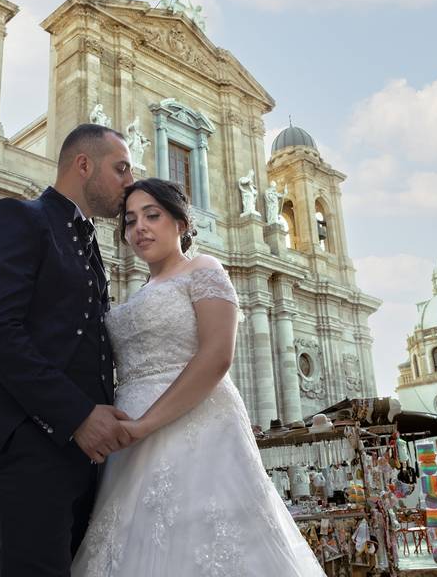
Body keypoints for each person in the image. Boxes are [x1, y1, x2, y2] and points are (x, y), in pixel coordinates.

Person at [71, 178, 325, 575]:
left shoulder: (203, 269)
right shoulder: (139, 290)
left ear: (181, 223)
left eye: (152, 215)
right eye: (131, 220)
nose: (140, 228)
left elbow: (217, 356)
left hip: (194, 428)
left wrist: (145, 424)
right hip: (129, 444)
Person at [0, 124, 136, 576]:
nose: (130, 182)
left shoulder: (88, 243)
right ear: (83, 164)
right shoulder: (19, 217)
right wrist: (79, 415)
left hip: (78, 454)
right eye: (121, 168)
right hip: (23, 446)